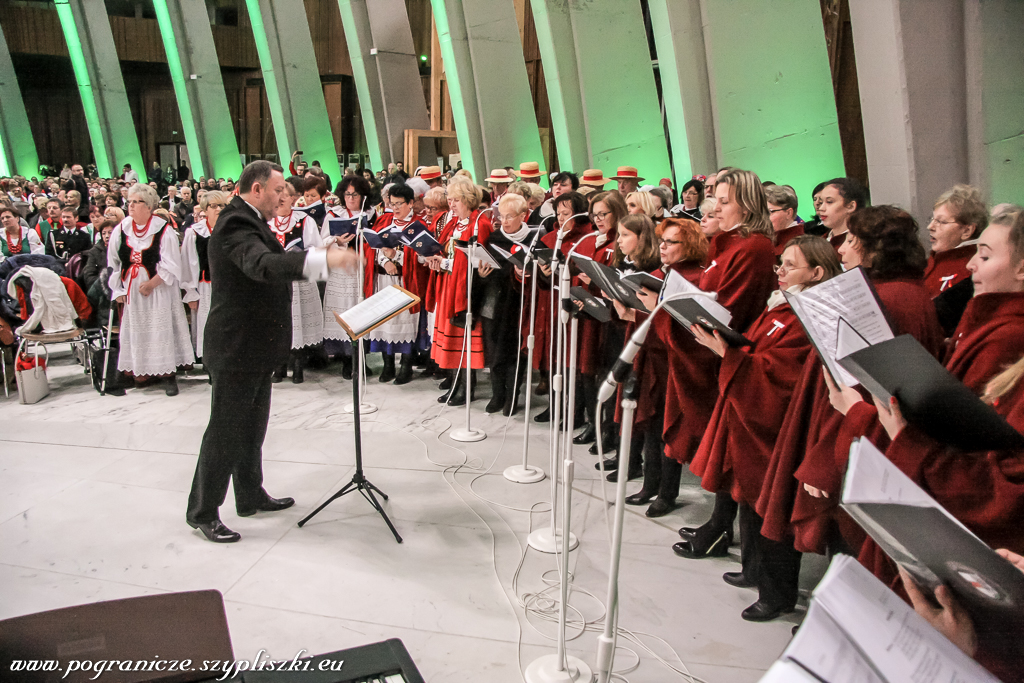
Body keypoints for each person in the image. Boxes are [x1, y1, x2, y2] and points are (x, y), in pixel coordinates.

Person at [185, 161, 358, 544]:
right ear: (257, 189)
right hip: (236, 346)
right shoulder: (234, 223)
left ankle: (249, 495)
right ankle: (202, 511)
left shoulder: (250, 219)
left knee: (252, 428)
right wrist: (320, 261)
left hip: (254, 345)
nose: (285, 197)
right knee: (225, 430)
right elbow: (262, 266)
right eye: (279, 190)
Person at [690, 236, 842, 621]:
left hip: (776, 427)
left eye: (789, 266)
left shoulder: (811, 316)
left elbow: (783, 374)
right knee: (749, 499)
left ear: (817, 273)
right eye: (780, 265)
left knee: (773, 508)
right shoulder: (781, 307)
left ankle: (777, 595)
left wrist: (730, 355)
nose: (780, 272)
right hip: (749, 420)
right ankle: (753, 570)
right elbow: (757, 351)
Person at [671, 168, 778, 555]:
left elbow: (729, 307)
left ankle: (721, 529)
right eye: (715, 197)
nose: (715, 205)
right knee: (723, 446)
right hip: (715, 351)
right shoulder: (729, 243)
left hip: (728, 355)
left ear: (747, 205)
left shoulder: (752, 247)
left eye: (725, 200)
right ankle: (718, 524)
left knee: (732, 450)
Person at [107, 183, 195, 396]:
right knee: (137, 331)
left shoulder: (163, 229)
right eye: (129, 202)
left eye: (136, 202)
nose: (131, 206)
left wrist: (152, 283)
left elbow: (172, 263)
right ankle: (140, 373)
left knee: (160, 329)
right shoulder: (121, 229)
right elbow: (113, 262)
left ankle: (167, 375)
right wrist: (118, 290)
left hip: (159, 291)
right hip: (132, 292)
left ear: (149, 206)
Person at [430, 180, 493, 406]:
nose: (451, 204)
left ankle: (467, 387)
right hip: (449, 285)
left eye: (456, 200)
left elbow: (475, 263)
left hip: (465, 291)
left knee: (464, 339)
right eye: (450, 199)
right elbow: (448, 253)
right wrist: (436, 258)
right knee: (453, 340)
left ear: (468, 199)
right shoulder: (455, 222)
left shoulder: (480, 224)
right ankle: (456, 383)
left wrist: (446, 264)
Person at [362, 183, 426, 384]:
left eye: (399, 204)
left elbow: (422, 256)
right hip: (383, 278)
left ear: (411, 203)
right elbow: (372, 246)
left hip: (405, 281)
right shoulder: (384, 220)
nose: (395, 208)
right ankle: (388, 365)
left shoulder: (418, 225)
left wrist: (397, 256)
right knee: (384, 321)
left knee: (404, 324)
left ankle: (405, 367)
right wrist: (385, 261)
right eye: (392, 203)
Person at [269, 177, 324, 383]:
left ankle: (299, 365)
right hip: (276, 279)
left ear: (293, 198)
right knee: (278, 321)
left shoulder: (304, 220)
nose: (281, 199)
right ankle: (279, 366)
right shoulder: (266, 220)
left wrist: (299, 255)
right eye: (278, 195)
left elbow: (316, 249)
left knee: (298, 319)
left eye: (285, 195)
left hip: (299, 280)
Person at [321, 176, 371, 378]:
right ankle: (346, 359)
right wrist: (336, 240)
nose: (351, 198)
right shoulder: (334, 214)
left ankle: (361, 359)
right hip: (341, 270)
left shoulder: (371, 214)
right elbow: (322, 241)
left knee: (362, 311)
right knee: (343, 310)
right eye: (348, 194)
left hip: (362, 269)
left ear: (363, 196)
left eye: (355, 194)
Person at [180, 191, 227, 362]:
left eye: (222, 206)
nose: (218, 210)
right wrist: (190, 292)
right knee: (208, 326)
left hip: (228, 287)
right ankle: (210, 364)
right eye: (213, 206)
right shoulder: (195, 233)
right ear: (205, 210)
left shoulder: (232, 230)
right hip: (205, 287)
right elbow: (187, 263)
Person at [923, 184, 987, 296]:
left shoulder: (972, 270)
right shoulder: (932, 261)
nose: (930, 227)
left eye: (942, 222)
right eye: (932, 219)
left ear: (967, 231)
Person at [817, 177, 868, 250]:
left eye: (829, 202)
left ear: (851, 206)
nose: (821, 208)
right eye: (821, 202)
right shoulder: (819, 242)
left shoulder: (861, 245)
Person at [765, 184, 804, 256]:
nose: (763, 217)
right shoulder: (770, 238)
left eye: (770, 212)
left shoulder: (799, 244)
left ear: (789, 213)